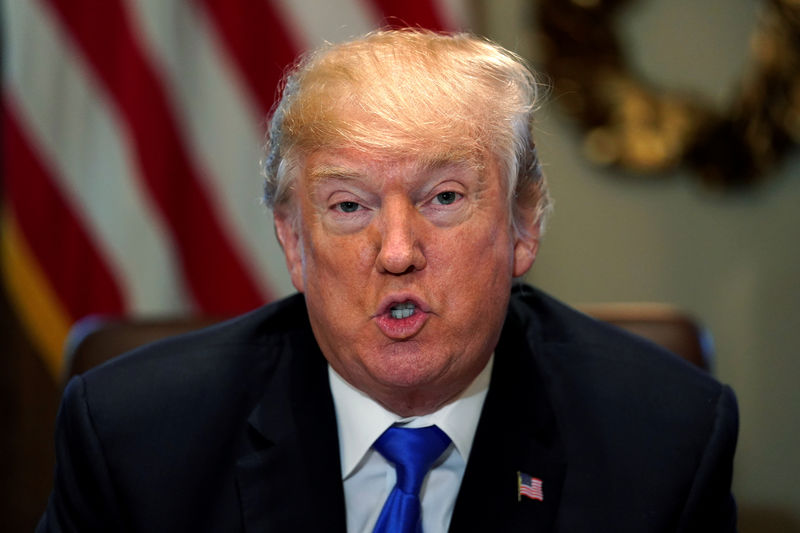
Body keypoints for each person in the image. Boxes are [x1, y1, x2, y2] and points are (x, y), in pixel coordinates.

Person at [37, 29, 738, 532]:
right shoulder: (135, 435)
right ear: (292, 239)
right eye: (348, 205)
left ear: (524, 223)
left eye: (444, 198)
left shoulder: (662, 437)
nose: (398, 251)